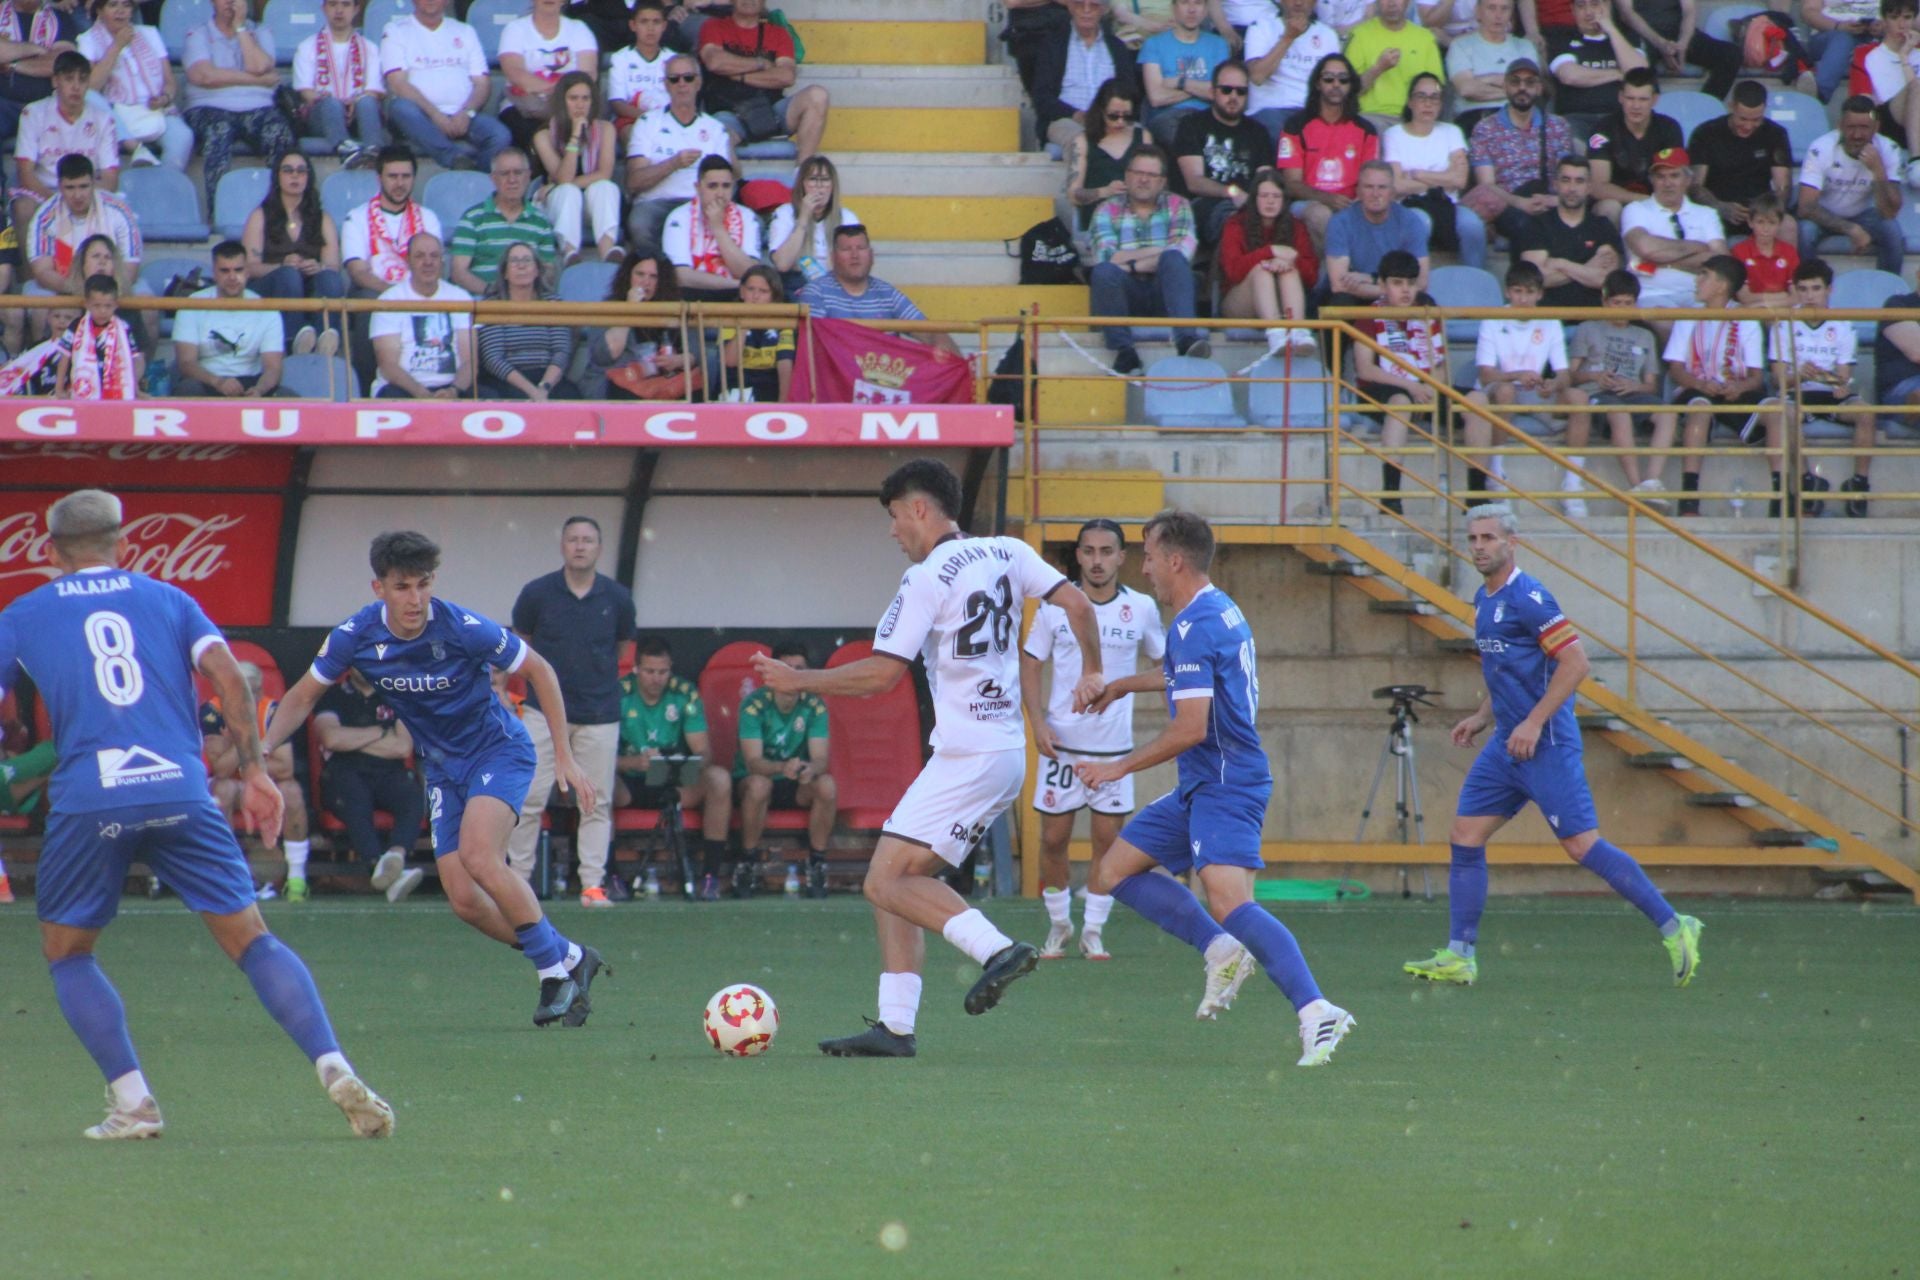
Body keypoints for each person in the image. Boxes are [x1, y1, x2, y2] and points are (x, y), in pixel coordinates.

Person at [0, 489, 393, 1141]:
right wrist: (257, 771)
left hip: (90, 795)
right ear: (122, 544)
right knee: (252, 938)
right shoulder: (169, 599)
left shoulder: (23, 612)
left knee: (68, 954)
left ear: (51, 553)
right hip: (181, 787)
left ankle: (135, 1103)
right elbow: (231, 678)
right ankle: (335, 1068)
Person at [749, 459, 1104, 1059]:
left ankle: (996, 950)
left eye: (894, 517)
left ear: (920, 509)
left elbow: (883, 674)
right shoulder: (1008, 552)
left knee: (884, 879)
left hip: (967, 757)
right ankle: (895, 1027)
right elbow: (1080, 608)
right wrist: (1093, 670)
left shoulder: (927, 577)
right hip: (1001, 755)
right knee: (896, 883)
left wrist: (797, 677)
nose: (893, 533)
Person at [264, 530, 606, 1028]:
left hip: (499, 751)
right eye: (402, 587)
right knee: (466, 902)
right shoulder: (355, 636)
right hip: (444, 770)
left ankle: (553, 974)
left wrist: (568, 758)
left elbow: (541, 672)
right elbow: (300, 698)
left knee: (480, 857)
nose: (416, 599)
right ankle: (573, 956)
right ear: (378, 588)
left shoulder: (462, 627)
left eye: (423, 584)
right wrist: (262, 753)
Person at [1077, 510, 1355, 1065]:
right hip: (1203, 782)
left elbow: (1191, 727)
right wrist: (1123, 684)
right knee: (1111, 872)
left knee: (1229, 900)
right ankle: (1221, 950)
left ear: (1174, 560)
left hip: (1226, 782)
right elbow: (1187, 672)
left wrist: (1117, 768)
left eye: (1150, 555)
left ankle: (1317, 1011)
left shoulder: (1192, 624)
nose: (1145, 566)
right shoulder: (1214, 610)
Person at [1404, 502, 1704, 989]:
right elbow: (1506, 671)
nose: (1479, 546)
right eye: (1473, 538)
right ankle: (1460, 955)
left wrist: (1533, 723)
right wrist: (1483, 717)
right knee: (1465, 835)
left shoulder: (1531, 597)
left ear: (1511, 542)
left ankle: (1676, 926)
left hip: (1544, 744)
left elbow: (1575, 664)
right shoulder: (1484, 599)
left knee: (1582, 846)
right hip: (1508, 743)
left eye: (1489, 538)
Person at [1020, 518, 1165, 961]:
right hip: (1060, 746)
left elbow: (1167, 669)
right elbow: (1029, 664)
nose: (1097, 560)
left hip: (1114, 750)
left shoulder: (1141, 608)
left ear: (1123, 557)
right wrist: (1038, 721)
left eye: (1107, 551)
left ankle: (1095, 929)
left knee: (1108, 844)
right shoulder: (1054, 608)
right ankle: (1060, 925)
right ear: (1078, 555)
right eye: (1089, 551)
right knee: (1052, 841)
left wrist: (1123, 688)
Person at [505, 516, 633, 908]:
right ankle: (515, 886)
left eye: (588, 540)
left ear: (599, 548)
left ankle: (592, 887)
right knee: (527, 799)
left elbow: (624, 649)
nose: (580, 546)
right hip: (543, 711)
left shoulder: (617, 598)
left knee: (596, 802)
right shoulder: (537, 594)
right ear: (562, 546)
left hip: (600, 713)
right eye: (573, 540)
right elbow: (521, 646)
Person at [614, 635, 734, 900]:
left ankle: (710, 876)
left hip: (673, 781)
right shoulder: (618, 693)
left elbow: (705, 752)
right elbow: (599, 756)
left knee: (719, 778)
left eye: (663, 672)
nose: (656, 678)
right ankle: (611, 876)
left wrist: (677, 763)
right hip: (630, 782)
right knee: (599, 781)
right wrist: (635, 762)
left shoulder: (685, 693)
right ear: (636, 669)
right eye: (649, 671)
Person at [1459, 259, 1577, 506]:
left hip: (1535, 390)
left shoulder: (1551, 322)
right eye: (1518, 292)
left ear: (1540, 294)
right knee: (1505, 391)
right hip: (1499, 388)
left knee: (1580, 400)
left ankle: (1574, 483)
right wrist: (1516, 375)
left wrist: (1553, 384)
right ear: (1507, 292)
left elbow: (1564, 374)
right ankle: (1495, 470)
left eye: (1530, 292)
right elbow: (1485, 374)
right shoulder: (1493, 320)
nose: (1523, 299)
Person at [1664, 254, 1771, 516]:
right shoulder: (1688, 316)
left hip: (1734, 391)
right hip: (1697, 388)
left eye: (1704, 275)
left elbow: (1757, 377)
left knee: (1780, 412)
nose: (1696, 281)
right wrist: (1700, 384)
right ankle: (1689, 497)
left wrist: (1740, 388)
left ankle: (1783, 496)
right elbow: (1676, 369)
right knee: (1699, 408)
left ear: (1722, 286)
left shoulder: (1745, 319)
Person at [312, 667, 427, 904]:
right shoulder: (332, 695)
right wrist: (381, 731)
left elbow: (403, 747)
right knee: (354, 795)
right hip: (344, 773)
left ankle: (395, 858)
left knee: (411, 793)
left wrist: (351, 739)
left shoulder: (396, 694)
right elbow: (331, 739)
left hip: (389, 772)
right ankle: (379, 865)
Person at [733, 639, 835, 899]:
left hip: (797, 783)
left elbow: (821, 759)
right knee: (759, 785)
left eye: (799, 669)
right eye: (786, 668)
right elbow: (753, 763)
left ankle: (817, 863)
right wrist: (781, 766)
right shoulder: (754, 704)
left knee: (826, 785)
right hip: (758, 780)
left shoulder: (814, 705)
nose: (793, 675)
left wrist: (809, 769)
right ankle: (747, 862)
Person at [1089, 144, 1205, 372]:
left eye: (1151, 175)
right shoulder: (1106, 209)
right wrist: (1157, 253)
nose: (1144, 180)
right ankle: (1125, 353)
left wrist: (1130, 262)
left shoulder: (1178, 205)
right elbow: (1107, 257)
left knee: (1173, 261)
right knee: (1103, 273)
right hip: (1125, 294)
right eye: (1138, 173)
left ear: (1162, 181)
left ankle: (1186, 342)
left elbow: (1182, 253)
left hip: (1166, 293)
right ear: (1126, 176)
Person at [1768, 258, 1869, 517]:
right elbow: (1778, 378)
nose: (1809, 296)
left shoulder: (1843, 325)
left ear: (1829, 290)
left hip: (1829, 393)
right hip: (1797, 392)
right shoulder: (1783, 324)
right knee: (1787, 414)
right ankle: (1806, 479)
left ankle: (1859, 483)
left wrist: (1835, 382)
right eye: (1803, 289)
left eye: (1815, 288)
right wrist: (1798, 375)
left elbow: (1844, 376)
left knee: (1866, 412)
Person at [1351, 249, 1444, 512]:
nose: (1405, 291)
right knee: (1401, 402)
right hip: (1381, 389)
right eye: (1397, 283)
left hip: (1423, 387)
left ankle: (1476, 495)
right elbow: (1365, 370)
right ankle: (1391, 496)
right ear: (1381, 285)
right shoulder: (1368, 316)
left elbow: (1440, 366)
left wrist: (1431, 387)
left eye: (1410, 283)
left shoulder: (1427, 311)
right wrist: (1411, 386)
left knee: (1476, 400)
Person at [1565, 269, 1670, 500]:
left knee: (1667, 413)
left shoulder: (1645, 336)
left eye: (1628, 303)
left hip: (1633, 392)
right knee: (1619, 413)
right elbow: (1570, 375)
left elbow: (1651, 385)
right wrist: (1595, 377)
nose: (1622, 309)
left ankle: (1651, 481)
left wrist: (1635, 387)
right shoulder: (1588, 328)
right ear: (1604, 301)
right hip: (1599, 393)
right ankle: (1635, 486)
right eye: (1616, 303)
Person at [180, 0, 295, 208]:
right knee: (218, 131)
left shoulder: (260, 32)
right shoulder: (198, 33)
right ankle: (219, 210)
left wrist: (240, 28)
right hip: (209, 107)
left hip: (258, 107)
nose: (231, 2)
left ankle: (279, 209)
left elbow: (258, 65)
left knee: (278, 131)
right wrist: (257, 81)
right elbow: (204, 76)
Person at [380, 0, 508, 173]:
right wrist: (435, 115)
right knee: (400, 108)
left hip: (463, 115)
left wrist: (467, 113)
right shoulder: (396, 31)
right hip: (421, 116)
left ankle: (479, 181)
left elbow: (482, 83)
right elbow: (397, 83)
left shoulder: (465, 31)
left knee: (499, 135)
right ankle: (455, 159)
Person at [623, 53, 732, 256]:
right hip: (657, 202)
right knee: (639, 224)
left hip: (700, 202)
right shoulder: (647, 123)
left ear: (698, 82)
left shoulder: (715, 128)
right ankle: (666, 276)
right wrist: (673, 163)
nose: (682, 84)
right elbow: (633, 182)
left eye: (688, 78)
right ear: (666, 84)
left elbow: (725, 181)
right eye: (674, 79)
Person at [696, 0, 829, 164]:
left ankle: (802, 175)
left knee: (818, 95)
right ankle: (736, 187)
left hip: (770, 110)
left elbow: (786, 76)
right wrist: (761, 64)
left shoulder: (779, 33)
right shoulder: (713, 26)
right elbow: (715, 62)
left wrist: (739, 76)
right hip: (729, 112)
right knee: (718, 141)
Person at [241, 150, 345, 353]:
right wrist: (281, 266)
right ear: (278, 177)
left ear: (309, 177)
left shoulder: (322, 218)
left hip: (308, 285)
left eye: (301, 171)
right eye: (288, 170)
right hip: (273, 287)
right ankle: (294, 338)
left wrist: (318, 266)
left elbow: (333, 265)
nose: (295, 176)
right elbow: (249, 268)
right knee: (289, 275)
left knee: (330, 278)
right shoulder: (260, 215)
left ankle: (326, 339)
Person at [796, 224, 959, 353]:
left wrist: (944, 348)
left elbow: (929, 331)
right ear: (832, 257)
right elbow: (812, 347)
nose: (855, 255)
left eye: (861, 248)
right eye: (846, 249)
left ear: (872, 255)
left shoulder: (888, 293)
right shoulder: (815, 292)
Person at [10, 50, 117, 243]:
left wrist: (80, 197)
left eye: (82, 80)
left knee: (115, 210)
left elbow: (110, 178)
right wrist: (58, 201)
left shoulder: (103, 119)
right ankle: (30, 274)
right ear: (55, 81)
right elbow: (25, 174)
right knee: (23, 208)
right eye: (69, 79)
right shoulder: (33, 113)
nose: (76, 87)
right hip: (43, 191)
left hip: (86, 192)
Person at [1384, 70, 1487, 267]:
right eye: (1421, 96)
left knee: (1473, 226)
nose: (1428, 103)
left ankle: (1474, 282)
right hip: (1409, 204)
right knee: (1421, 223)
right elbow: (1397, 185)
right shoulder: (1394, 134)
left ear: (1441, 104)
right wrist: (1443, 177)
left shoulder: (1452, 132)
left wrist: (1417, 174)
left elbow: (1459, 180)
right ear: (1410, 101)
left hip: (1447, 205)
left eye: (1434, 98)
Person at [1465, 57, 1575, 242]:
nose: (1522, 88)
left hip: (1550, 202)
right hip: (1508, 205)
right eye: (1515, 81)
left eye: (1530, 82)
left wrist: (1551, 201)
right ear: (1505, 87)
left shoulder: (1558, 126)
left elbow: (1567, 176)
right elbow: (1486, 185)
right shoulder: (1485, 128)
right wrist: (1520, 203)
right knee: (1527, 226)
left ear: (1539, 88)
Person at [1277, 52, 1378, 249]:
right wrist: (1326, 199)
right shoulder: (1295, 125)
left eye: (1343, 79)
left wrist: (1352, 204)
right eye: (1328, 79)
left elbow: (1370, 180)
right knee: (1321, 214)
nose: (1336, 84)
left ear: (1351, 85)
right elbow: (1291, 184)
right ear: (1317, 83)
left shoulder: (1367, 130)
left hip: (1352, 204)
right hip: (1308, 203)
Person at [1796, 97, 1905, 276]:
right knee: (1806, 231)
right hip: (1824, 213)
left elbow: (1889, 212)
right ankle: (1810, 289)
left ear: (1876, 127)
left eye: (1864, 128)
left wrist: (1878, 170)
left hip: (1864, 214)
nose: (1857, 135)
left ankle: (1889, 289)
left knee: (1892, 230)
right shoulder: (1821, 148)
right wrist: (1851, 229)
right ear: (1840, 125)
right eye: (1851, 127)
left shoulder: (1888, 149)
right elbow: (1806, 207)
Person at [77, 0, 190, 172]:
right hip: (115, 112)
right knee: (87, 95)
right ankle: (137, 149)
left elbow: (170, 81)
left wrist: (165, 97)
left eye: (126, 5)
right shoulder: (87, 39)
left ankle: (164, 183)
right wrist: (117, 46)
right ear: (100, 10)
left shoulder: (149, 33)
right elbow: (92, 85)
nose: (120, 11)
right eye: (113, 5)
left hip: (154, 109)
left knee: (184, 136)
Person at [1218, 166, 1319, 355]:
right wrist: (1270, 252)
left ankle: (1297, 330)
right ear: (1254, 199)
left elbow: (1312, 277)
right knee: (1261, 271)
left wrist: (1292, 260)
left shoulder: (1296, 226)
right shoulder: (1236, 224)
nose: (1270, 201)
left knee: (1289, 270)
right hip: (1240, 302)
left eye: (1276, 196)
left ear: (1284, 200)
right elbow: (1232, 270)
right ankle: (1276, 333)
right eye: (1264, 196)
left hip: (1283, 302)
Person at [1171, 60, 1269, 246]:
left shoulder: (1258, 132)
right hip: (1204, 204)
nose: (1233, 96)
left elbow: (1266, 179)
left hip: (1250, 206)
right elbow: (1194, 182)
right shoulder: (1192, 125)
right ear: (1212, 92)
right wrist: (1232, 193)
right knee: (1234, 222)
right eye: (1226, 90)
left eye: (1241, 91)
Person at [1620, 146, 1726, 316]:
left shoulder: (1707, 214)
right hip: (1651, 295)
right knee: (1667, 322)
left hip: (1698, 297)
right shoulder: (1636, 209)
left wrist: (1665, 262)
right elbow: (1646, 249)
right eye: (1660, 177)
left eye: (1674, 175)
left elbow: (1720, 263)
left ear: (1688, 179)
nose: (1667, 183)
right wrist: (1699, 247)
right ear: (1652, 180)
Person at [172, 239, 285, 398]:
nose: (232, 277)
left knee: (287, 395)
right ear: (214, 273)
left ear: (247, 272)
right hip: (207, 380)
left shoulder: (266, 309)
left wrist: (260, 390)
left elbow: (273, 367)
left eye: (238, 270)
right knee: (188, 389)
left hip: (252, 382)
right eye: (225, 271)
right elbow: (186, 363)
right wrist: (218, 382)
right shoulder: (192, 304)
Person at [369, 232, 475, 400]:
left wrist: (453, 391)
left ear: (442, 261)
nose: (428, 262)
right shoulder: (389, 300)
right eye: (420, 256)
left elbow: (470, 361)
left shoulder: (461, 298)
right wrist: (422, 394)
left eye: (434, 256)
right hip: (404, 388)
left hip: (452, 388)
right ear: (408, 261)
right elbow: (388, 365)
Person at [1687, 80, 1794, 241]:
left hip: (1760, 212)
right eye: (1743, 119)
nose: (1749, 126)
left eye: (1756, 120)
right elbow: (1695, 186)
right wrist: (1719, 206)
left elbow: (1783, 186)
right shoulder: (1706, 133)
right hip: (1715, 209)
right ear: (1731, 107)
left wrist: (1764, 212)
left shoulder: (1775, 134)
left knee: (1788, 225)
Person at [535, 72, 622, 265]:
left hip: (590, 203)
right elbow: (564, 178)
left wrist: (557, 185)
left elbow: (604, 173)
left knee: (605, 187)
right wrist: (575, 135)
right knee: (568, 191)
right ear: (562, 101)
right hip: (558, 204)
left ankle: (607, 251)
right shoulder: (543, 135)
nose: (580, 105)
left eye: (585, 98)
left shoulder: (606, 129)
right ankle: (570, 252)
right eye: (573, 98)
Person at [496, 0, 600, 161]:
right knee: (529, 132)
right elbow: (515, 73)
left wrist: (560, 95)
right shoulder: (515, 29)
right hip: (524, 106)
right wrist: (559, 90)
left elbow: (588, 74)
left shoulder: (578, 29)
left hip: (570, 106)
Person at [25, 153, 138, 301]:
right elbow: (43, 272)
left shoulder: (119, 211)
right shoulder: (44, 218)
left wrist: (104, 292)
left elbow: (130, 267)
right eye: (70, 188)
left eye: (83, 186)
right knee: (40, 307)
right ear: (59, 186)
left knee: (146, 303)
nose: (77, 195)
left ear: (93, 183)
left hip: (114, 287)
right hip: (64, 287)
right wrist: (81, 290)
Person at [448, 148, 560, 296]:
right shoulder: (472, 218)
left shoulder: (541, 222)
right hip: (484, 304)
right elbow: (458, 272)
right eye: (504, 174)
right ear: (493, 178)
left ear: (528, 176)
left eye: (518, 173)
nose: (512, 179)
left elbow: (548, 271)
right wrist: (493, 294)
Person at [584, 250, 694, 399]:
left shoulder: (675, 309)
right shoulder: (608, 308)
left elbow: (697, 354)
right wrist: (630, 309)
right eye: (640, 274)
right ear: (628, 276)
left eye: (653, 276)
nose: (645, 282)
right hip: (617, 383)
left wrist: (678, 360)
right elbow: (606, 355)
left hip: (661, 384)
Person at [1035, 0, 1141, 153]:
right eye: (1080, 4)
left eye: (1094, 5)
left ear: (1103, 9)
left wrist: (1108, 117)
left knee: (1141, 136)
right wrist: (1075, 115)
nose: (1086, 10)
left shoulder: (1117, 47)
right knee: (1081, 141)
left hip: (1111, 120)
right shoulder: (1052, 44)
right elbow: (1042, 97)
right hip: (1067, 120)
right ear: (1070, 7)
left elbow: (1129, 92)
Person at [291, 0, 385, 169]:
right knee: (331, 103)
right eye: (333, 4)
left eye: (346, 4)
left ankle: (375, 153)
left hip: (357, 114)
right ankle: (347, 151)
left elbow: (373, 90)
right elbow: (306, 91)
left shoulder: (369, 48)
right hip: (323, 116)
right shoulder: (307, 46)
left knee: (367, 102)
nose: (339, 10)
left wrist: (354, 103)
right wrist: (338, 105)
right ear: (324, 9)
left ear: (356, 9)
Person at [477, 241, 577, 400]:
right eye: (514, 261)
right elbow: (493, 358)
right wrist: (532, 391)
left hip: (547, 379)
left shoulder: (553, 303)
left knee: (570, 395)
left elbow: (561, 351)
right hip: (508, 379)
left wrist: (544, 387)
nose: (521, 266)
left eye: (527, 260)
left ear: (537, 270)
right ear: (505, 272)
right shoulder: (491, 305)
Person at [1518, 159, 1619, 313]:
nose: (1572, 188)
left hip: (1593, 318)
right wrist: (1587, 268)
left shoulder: (1602, 226)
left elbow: (1605, 279)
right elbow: (1535, 281)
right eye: (1566, 180)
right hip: (1547, 318)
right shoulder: (1536, 225)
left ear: (1588, 187)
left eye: (1579, 181)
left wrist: (1561, 264)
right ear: (1555, 184)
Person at [1323, 159, 1429, 304]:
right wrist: (1390, 291)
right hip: (1357, 297)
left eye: (1382, 187)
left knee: (1425, 301)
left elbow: (1421, 282)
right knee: (1340, 301)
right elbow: (1339, 285)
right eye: (1368, 187)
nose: (1375, 193)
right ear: (1358, 191)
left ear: (1392, 192)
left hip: (1395, 296)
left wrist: (1371, 280)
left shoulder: (1410, 221)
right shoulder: (1340, 222)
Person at [1585, 67, 1682, 225]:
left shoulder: (1669, 128)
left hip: (1658, 203)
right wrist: (1642, 200)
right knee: (1610, 207)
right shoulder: (1603, 128)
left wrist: (1654, 203)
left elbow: (1674, 178)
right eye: (1630, 98)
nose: (1636, 106)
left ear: (1654, 99)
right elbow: (1597, 187)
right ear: (1620, 97)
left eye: (1643, 99)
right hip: (1619, 202)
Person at [662, 152, 760, 300]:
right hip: (693, 296)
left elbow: (749, 273)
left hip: (736, 299)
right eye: (712, 186)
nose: (720, 194)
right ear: (698, 187)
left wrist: (718, 227)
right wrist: (736, 285)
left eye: (726, 186)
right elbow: (681, 276)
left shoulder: (747, 216)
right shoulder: (679, 217)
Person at [1243, 0, 1342, 147]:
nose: (1298, 3)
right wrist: (1288, 37)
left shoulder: (1327, 35)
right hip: (1270, 109)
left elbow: (1333, 84)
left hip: (1311, 110)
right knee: (1283, 138)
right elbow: (1257, 76)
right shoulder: (1261, 27)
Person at [1545, 0, 1644, 139]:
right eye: (1581, 6)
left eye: (1595, 4)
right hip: (1576, 118)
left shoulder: (1626, 36)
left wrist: (1611, 30)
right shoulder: (1561, 37)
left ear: (1608, 5)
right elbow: (1570, 76)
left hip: (1620, 117)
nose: (1588, 12)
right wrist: (1617, 73)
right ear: (1572, 10)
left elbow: (1638, 73)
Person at [1139, 0, 1232, 146]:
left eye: (1198, 3)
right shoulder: (1154, 44)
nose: (1192, 9)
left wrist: (1180, 82)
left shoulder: (1219, 45)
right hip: (1169, 117)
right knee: (1188, 140)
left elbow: (1222, 93)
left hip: (1209, 116)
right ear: (1173, 7)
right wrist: (1204, 90)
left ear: (1206, 9)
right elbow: (1156, 97)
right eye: (1184, 2)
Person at [1615, 0, 1741, 101]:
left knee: (1731, 54)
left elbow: (1689, 12)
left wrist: (1683, 44)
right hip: (1642, 34)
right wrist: (1660, 43)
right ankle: (1656, 117)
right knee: (1640, 67)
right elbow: (1627, 14)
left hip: (1677, 32)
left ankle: (1707, 106)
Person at [768, 154, 859, 294]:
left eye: (825, 180)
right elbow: (782, 264)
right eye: (813, 179)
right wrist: (803, 218)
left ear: (833, 186)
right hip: (795, 282)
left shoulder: (847, 217)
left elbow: (853, 267)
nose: (819, 186)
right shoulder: (785, 213)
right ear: (802, 184)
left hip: (834, 284)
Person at [1064, 77, 1144, 236]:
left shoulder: (1143, 137)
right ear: (1101, 111)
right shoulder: (1083, 142)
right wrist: (1105, 191)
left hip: (1137, 220)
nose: (1120, 122)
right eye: (1113, 116)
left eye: (1127, 116)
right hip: (1100, 224)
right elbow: (1073, 194)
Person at [0, 0, 82, 152]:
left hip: (47, 103)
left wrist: (13, 65)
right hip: (4, 103)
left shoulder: (59, 17)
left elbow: (62, 62)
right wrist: (36, 49)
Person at [1347, 0, 1444, 128]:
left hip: (1413, 118)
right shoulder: (1360, 35)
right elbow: (1349, 91)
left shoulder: (1425, 38)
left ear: (1408, 2)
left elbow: (1437, 88)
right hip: (1372, 116)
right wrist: (1378, 68)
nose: (1392, 3)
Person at [1446, 0, 1533, 133]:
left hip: (1518, 118)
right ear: (1478, 11)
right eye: (1491, 8)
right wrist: (1512, 89)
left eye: (1505, 9)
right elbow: (1466, 89)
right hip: (1475, 117)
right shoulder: (1460, 46)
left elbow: (1531, 90)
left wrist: (1482, 80)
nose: (1498, 15)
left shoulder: (1524, 47)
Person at [52, 274, 141, 399]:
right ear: (87, 304)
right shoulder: (76, 326)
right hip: (82, 391)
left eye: (108, 306)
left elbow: (134, 359)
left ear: (116, 305)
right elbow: (64, 358)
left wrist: (135, 389)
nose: (103, 311)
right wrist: (59, 389)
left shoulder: (124, 328)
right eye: (97, 306)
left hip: (115, 392)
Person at [1862, 0, 1920, 172]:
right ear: (1884, 20)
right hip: (1890, 117)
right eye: (1894, 18)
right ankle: (1916, 159)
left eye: (1907, 18)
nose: (1901, 25)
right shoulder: (1872, 56)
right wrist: (1903, 57)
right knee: (1917, 86)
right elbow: (1901, 92)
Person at [720, 264, 793, 400]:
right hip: (737, 385)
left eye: (763, 291)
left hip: (770, 385)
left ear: (773, 296)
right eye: (750, 289)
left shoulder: (784, 321)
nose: (755, 296)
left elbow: (785, 364)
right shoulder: (729, 317)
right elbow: (730, 361)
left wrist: (784, 403)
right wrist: (745, 322)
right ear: (742, 291)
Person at [607, 0, 674, 142]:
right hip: (632, 118)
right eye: (644, 22)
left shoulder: (673, 60)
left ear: (664, 26)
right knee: (634, 135)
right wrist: (648, 118)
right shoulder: (621, 58)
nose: (650, 28)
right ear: (633, 25)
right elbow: (617, 103)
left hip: (668, 118)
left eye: (656, 22)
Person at [1805, 0, 1886, 103]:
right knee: (1843, 39)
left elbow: (1906, 11)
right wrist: (1838, 26)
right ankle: (1818, 94)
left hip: (1875, 34)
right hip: (1829, 33)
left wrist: (1885, 26)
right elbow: (1809, 11)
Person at [1729, 192, 1796, 306]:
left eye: (1772, 223)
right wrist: (1782, 296)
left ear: (1780, 224)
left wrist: (1761, 303)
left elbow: (1795, 297)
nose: (1766, 229)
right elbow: (1745, 297)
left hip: (1781, 314)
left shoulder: (1789, 252)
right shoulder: (1739, 251)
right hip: (1751, 316)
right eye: (1760, 222)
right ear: (1750, 222)